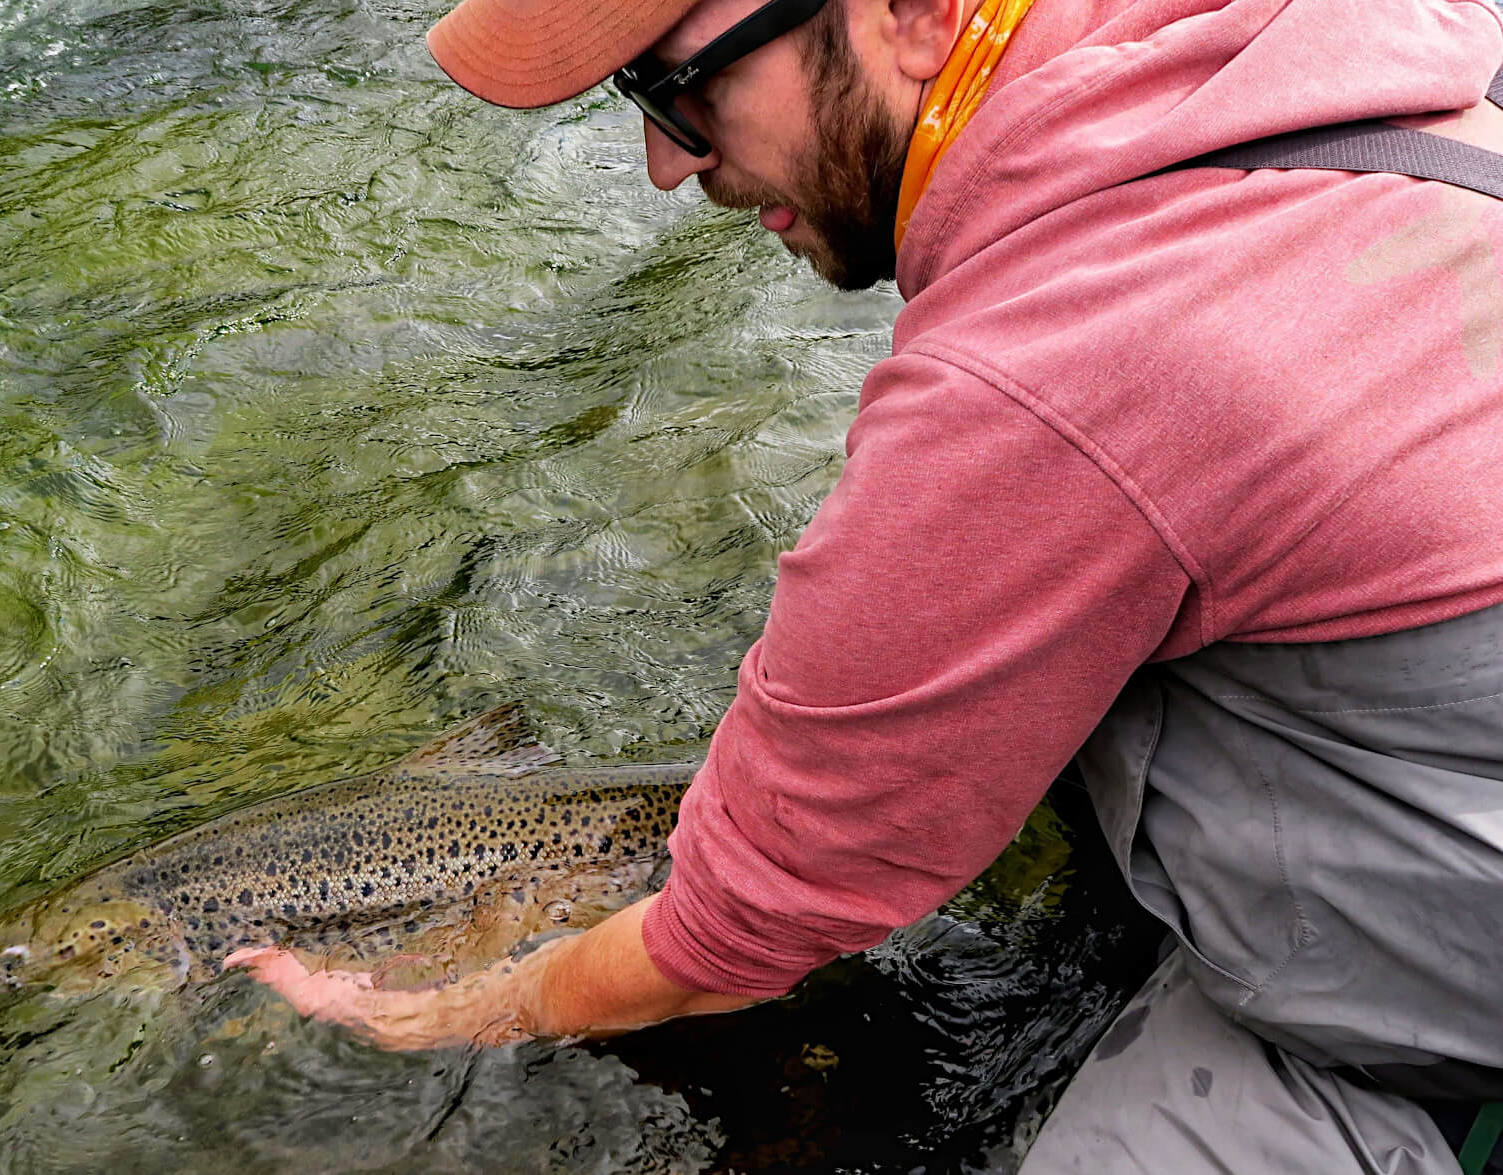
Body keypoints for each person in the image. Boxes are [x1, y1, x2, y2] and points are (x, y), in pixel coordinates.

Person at [226, 0, 1503, 1168]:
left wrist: (456, 1007)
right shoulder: (1329, 47)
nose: (669, 166)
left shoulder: (1044, 379)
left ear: (914, 14)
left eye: (681, 93)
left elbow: (734, 933)